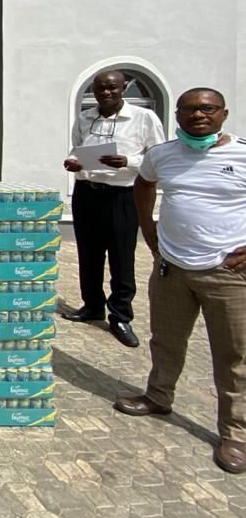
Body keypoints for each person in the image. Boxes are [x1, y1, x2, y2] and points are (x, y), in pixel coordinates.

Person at [114, 87, 246, 474]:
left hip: (228, 272)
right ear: (177, 115)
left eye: (207, 109)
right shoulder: (162, 154)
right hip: (171, 268)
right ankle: (158, 396)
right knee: (166, 340)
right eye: (188, 109)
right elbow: (143, 185)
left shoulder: (242, 154)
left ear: (223, 114)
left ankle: (236, 433)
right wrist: (148, 230)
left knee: (234, 355)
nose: (197, 115)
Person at [61, 70, 165, 348]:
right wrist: (73, 161)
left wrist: (128, 161)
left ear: (123, 88)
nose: (106, 93)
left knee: (121, 256)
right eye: (100, 89)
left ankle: (120, 315)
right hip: (87, 192)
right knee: (88, 253)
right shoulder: (85, 117)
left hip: (122, 195)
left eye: (112, 88)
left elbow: (157, 156)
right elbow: (77, 148)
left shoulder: (143, 118)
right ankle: (92, 305)